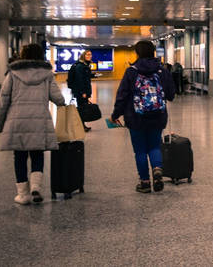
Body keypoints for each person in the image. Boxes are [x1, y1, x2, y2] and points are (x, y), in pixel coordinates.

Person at [0, 44, 65, 204]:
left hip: (17, 121)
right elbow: (58, 98)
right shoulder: (47, 74)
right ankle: (36, 188)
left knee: (19, 156)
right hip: (39, 120)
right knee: (37, 154)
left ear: (23, 55)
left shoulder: (13, 73)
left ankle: (23, 195)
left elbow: (3, 100)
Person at [110, 41, 176, 193]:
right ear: (153, 52)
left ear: (137, 53)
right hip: (157, 116)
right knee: (154, 146)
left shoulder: (131, 72)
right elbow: (171, 94)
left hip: (135, 118)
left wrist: (115, 114)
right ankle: (157, 169)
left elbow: (122, 96)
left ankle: (145, 183)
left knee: (140, 151)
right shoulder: (162, 70)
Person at [67, 50, 94, 132]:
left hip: (82, 91)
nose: (89, 56)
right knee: (82, 108)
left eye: (90, 54)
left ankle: (82, 125)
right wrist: (83, 92)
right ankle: (81, 126)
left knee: (82, 108)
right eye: (87, 55)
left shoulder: (84, 65)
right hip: (81, 91)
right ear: (83, 56)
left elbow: (85, 76)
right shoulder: (80, 66)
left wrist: (93, 75)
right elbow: (80, 80)